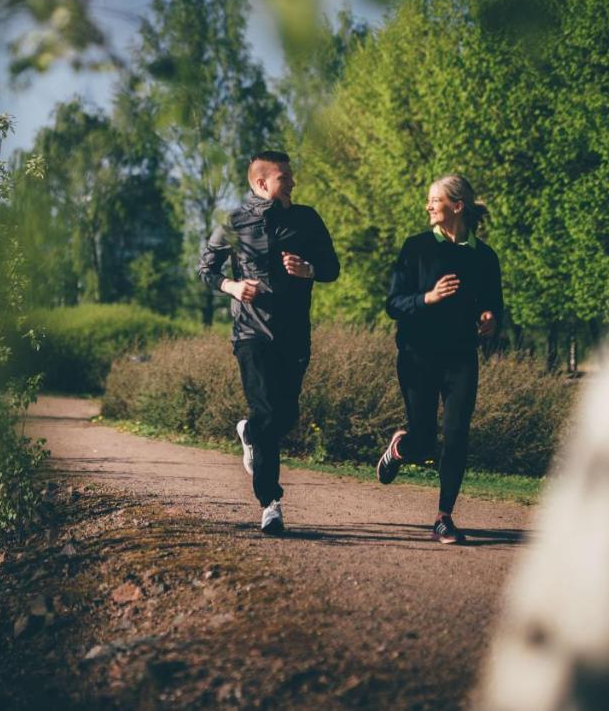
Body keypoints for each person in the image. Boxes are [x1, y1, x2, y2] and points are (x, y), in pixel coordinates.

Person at [197, 151, 340, 535]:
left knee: (284, 416)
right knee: (265, 407)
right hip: (251, 333)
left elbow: (332, 267)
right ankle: (270, 504)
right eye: (285, 177)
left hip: (294, 334)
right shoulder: (234, 222)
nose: (293, 182)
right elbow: (206, 269)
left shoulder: (306, 219)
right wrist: (232, 286)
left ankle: (250, 433)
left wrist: (309, 270)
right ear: (262, 183)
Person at [375, 174, 503, 544]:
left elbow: (494, 305)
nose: (429, 206)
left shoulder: (483, 256)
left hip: (461, 357)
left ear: (457, 206)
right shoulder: (415, 248)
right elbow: (393, 304)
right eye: (429, 200)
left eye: (436, 200)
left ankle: (444, 516)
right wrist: (426, 299)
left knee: (457, 434)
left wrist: (490, 319)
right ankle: (401, 447)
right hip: (417, 355)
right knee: (424, 441)